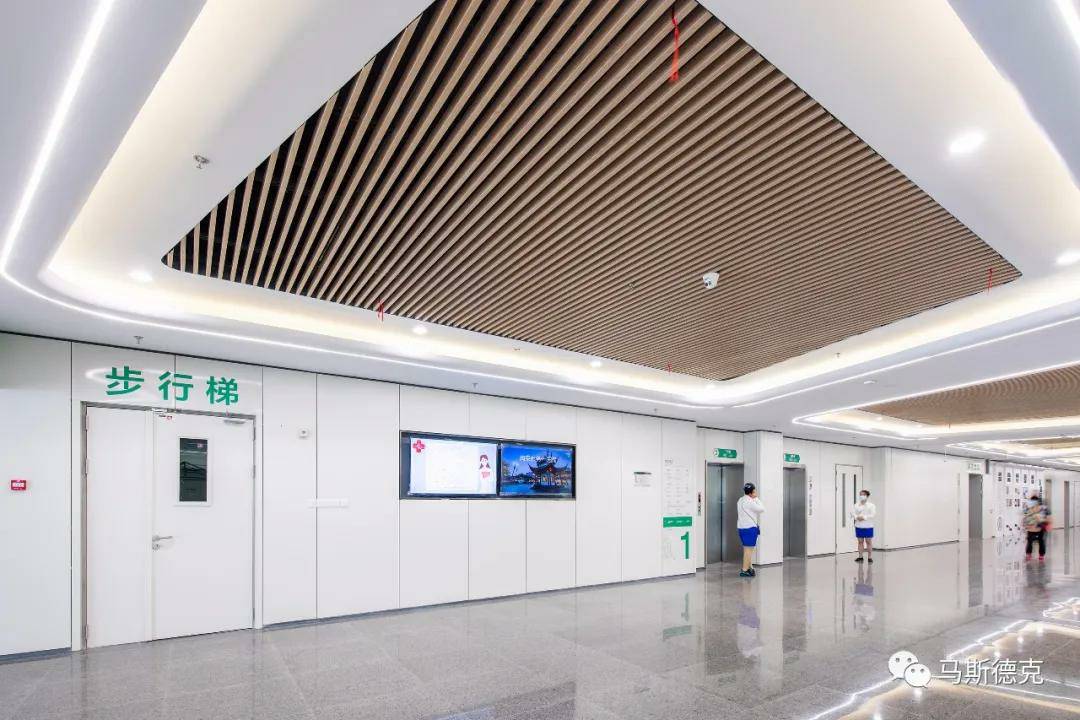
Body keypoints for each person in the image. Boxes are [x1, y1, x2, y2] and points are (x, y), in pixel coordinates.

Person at [737, 482, 764, 578]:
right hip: (750, 528)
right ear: (751, 492)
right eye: (754, 491)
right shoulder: (750, 501)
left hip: (741, 528)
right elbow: (762, 509)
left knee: (746, 550)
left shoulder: (740, 500)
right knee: (749, 551)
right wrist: (756, 498)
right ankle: (744, 570)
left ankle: (750, 568)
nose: (755, 492)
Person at [850, 489, 876, 563]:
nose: (862, 496)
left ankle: (869, 557)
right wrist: (856, 517)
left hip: (868, 526)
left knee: (868, 542)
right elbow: (852, 512)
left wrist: (864, 517)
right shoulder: (856, 505)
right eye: (860, 494)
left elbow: (873, 514)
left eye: (863, 494)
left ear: (867, 496)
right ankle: (860, 557)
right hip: (859, 526)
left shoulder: (871, 505)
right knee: (860, 541)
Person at [1024, 492, 1047, 561]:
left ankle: (1030, 554)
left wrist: (1026, 525)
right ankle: (1041, 555)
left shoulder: (1029, 508)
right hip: (1037, 527)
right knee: (1040, 541)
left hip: (1034, 527)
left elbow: (1026, 518)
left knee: (1031, 541)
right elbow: (1044, 517)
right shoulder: (1041, 508)